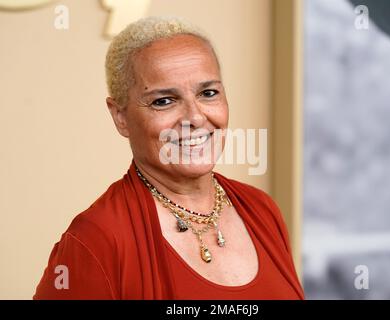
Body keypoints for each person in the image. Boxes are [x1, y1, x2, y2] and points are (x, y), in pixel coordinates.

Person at [33, 16, 304, 299]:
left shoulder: (261, 210)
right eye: (164, 101)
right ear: (120, 117)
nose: (196, 117)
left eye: (208, 93)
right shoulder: (96, 239)